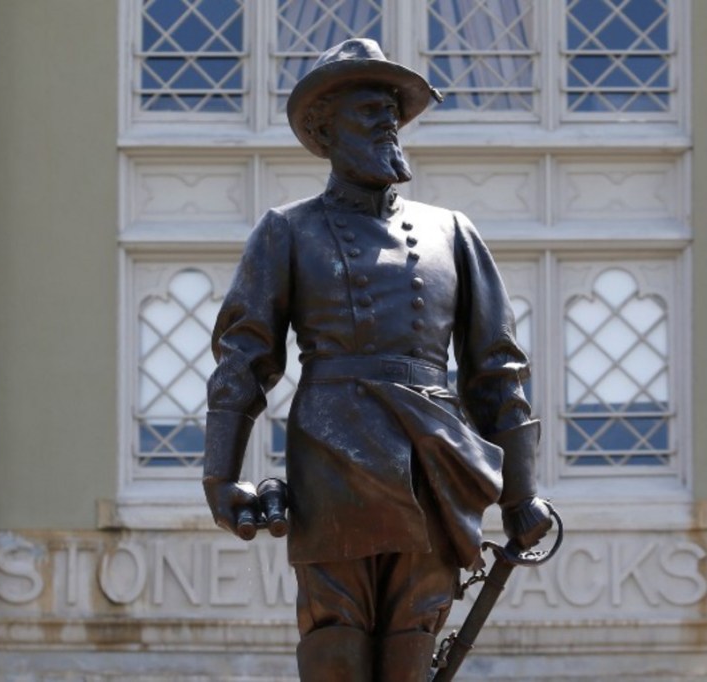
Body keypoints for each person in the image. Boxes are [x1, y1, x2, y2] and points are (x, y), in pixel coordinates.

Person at [203, 39, 552, 682]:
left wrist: (522, 494)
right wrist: (219, 476)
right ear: (324, 128)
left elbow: (497, 368)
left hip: (435, 461)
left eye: (392, 107)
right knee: (334, 630)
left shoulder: (453, 232)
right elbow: (245, 356)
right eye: (369, 107)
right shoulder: (288, 229)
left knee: (416, 631)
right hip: (332, 459)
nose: (387, 118)